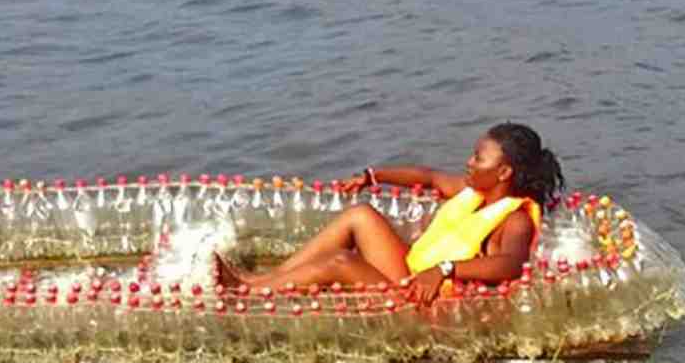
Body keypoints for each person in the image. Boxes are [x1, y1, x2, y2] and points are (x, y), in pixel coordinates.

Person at [217, 123, 564, 303]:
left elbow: (511, 265)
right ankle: (260, 281)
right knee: (361, 215)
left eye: (479, 158)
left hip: (426, 300)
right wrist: (373, 176)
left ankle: (248, 294)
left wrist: (444, 270)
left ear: (504, 173)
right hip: (410, 275)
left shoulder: (514, 218)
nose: (469, 163)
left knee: (341, 262)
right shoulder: (472, 191)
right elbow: (427, 177)